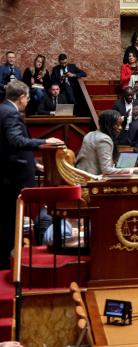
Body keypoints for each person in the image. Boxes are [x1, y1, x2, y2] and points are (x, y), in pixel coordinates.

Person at [0, 81, 62, 268]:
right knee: (9, 222)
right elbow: (16, 141)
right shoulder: (10, 113)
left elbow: (7, 146)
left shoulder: (2, 109)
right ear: (21, 98)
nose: (27, 102)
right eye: (27, 98)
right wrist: (45, 141)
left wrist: (34, 164)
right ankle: (5, 263)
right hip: (12, 177)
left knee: (7, 220)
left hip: (9, 173)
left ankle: (5, 259)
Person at [76, 110, 138, 175]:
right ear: (109, 125)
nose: (120, 128)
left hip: (82, 175)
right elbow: (106, 170)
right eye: (117, 125)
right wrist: (133, 170)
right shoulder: (104, 139)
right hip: (91, 180)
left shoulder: (90, 134)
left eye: (121, 125)